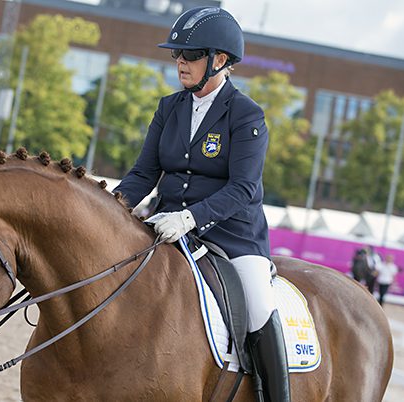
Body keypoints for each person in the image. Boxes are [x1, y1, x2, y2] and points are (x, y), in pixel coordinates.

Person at [113, 7, 289, 401]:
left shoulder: (247, 115)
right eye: (176, 55)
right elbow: (144, 173)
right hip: (165, 226)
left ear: (219, 61)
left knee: (259, 307)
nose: (180, 63)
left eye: (190, 56)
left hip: (232, 235)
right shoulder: (168, 107)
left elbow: (244, 188)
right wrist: (109, 209)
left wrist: (191, 217)